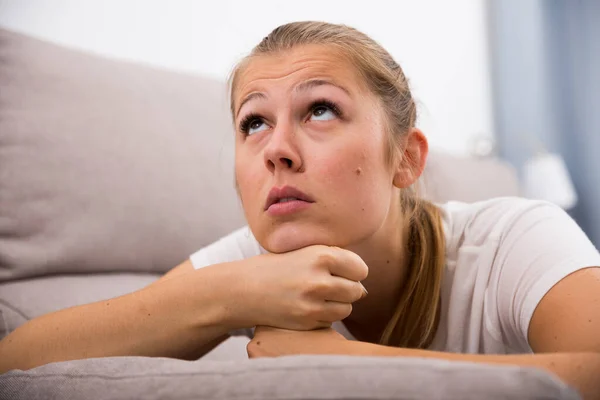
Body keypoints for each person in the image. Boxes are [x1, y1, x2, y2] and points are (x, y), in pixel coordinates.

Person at [1, 21, 599, 399]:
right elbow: (14, 365)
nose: (277, 152)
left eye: (319, 110)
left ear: (405, 160)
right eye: (253, 122)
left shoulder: (513, 239)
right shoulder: (251, 263)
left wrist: (347, 365)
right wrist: (222, 296)